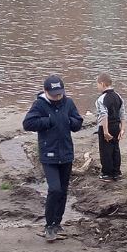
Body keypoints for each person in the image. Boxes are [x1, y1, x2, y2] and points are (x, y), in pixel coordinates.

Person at [23, 74, 84, 242]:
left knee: (63, 190)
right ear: (45, 91)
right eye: (54, 94)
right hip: (48, 154)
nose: (58, 97)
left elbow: (78, 122)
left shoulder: (68, 102)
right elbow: (27, 124)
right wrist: (48, 121)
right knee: (54, 189)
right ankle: (49, 225)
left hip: (66, 153)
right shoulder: (39, 104)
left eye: (60, 93)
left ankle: (58, 222)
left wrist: (71, 121)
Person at [95, 72, 125, 181]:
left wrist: (105, 131)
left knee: (105, 150)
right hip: (116, 126)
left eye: (97, 84)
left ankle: (107, 173)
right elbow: (122, 113)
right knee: (115, 149)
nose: (97, 87)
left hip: (106, 126)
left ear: (102, 84)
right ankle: (117, 172)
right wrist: (122, 129)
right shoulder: (118, 96)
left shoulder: (101, 99)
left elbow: (104, 115)